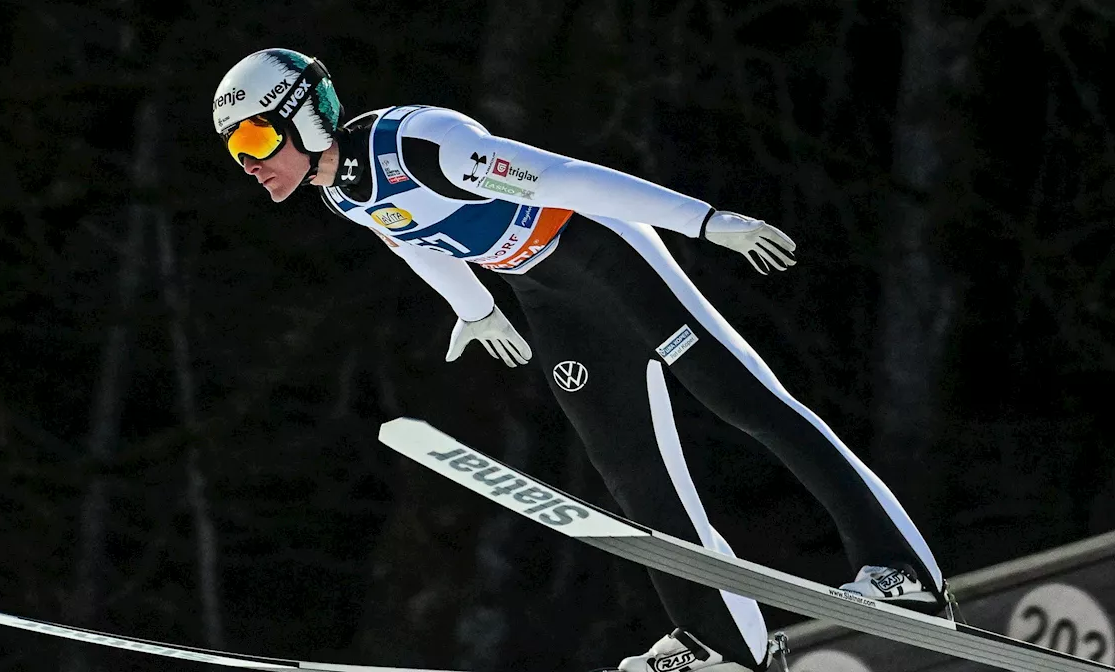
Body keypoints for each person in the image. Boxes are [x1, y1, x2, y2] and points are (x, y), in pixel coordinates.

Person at [212, 48, 951, 672]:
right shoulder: (340, 190)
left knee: (743, 400)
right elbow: (408, 239)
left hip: (606, 256)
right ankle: (721, 643)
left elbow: (567, 177)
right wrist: (475, 309)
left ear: (303, 118)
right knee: (631, 470)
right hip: (550, 297)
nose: (247, 166)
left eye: (251, 142)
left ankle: (907, 574)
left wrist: (704, 221)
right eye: (234, 154)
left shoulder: (419, 144)